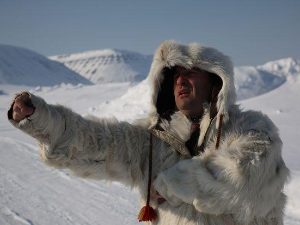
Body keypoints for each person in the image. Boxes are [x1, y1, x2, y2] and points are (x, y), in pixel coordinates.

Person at [8, 40, 289, 224]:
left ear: (216, 82)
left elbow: (244, 177)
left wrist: (171, 184)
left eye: (191, 72)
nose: (180, 78)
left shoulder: (252, 129)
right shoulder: (150, 140)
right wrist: (42, 118)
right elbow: (96, 142)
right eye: (174, 74)